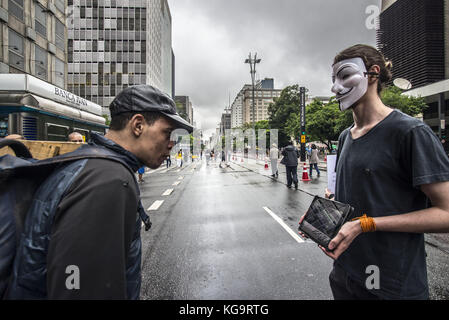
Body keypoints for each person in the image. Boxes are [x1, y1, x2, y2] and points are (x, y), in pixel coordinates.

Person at [5, 84, 193, 299]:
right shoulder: (108, 179)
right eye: (167, 133)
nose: (171, 144)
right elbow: (78, 286)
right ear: (138, 125)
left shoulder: (89, 163)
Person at [301, 44, 449, 300]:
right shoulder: (345, 136)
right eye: (333, 79)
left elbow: (446, 213)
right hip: (345, 275)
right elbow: (364, 195)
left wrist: (366, 224)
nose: (336, 87)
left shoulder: (410, 132)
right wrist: (329, 209)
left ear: (373, 74)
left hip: (393, 287)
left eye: (345, 75)